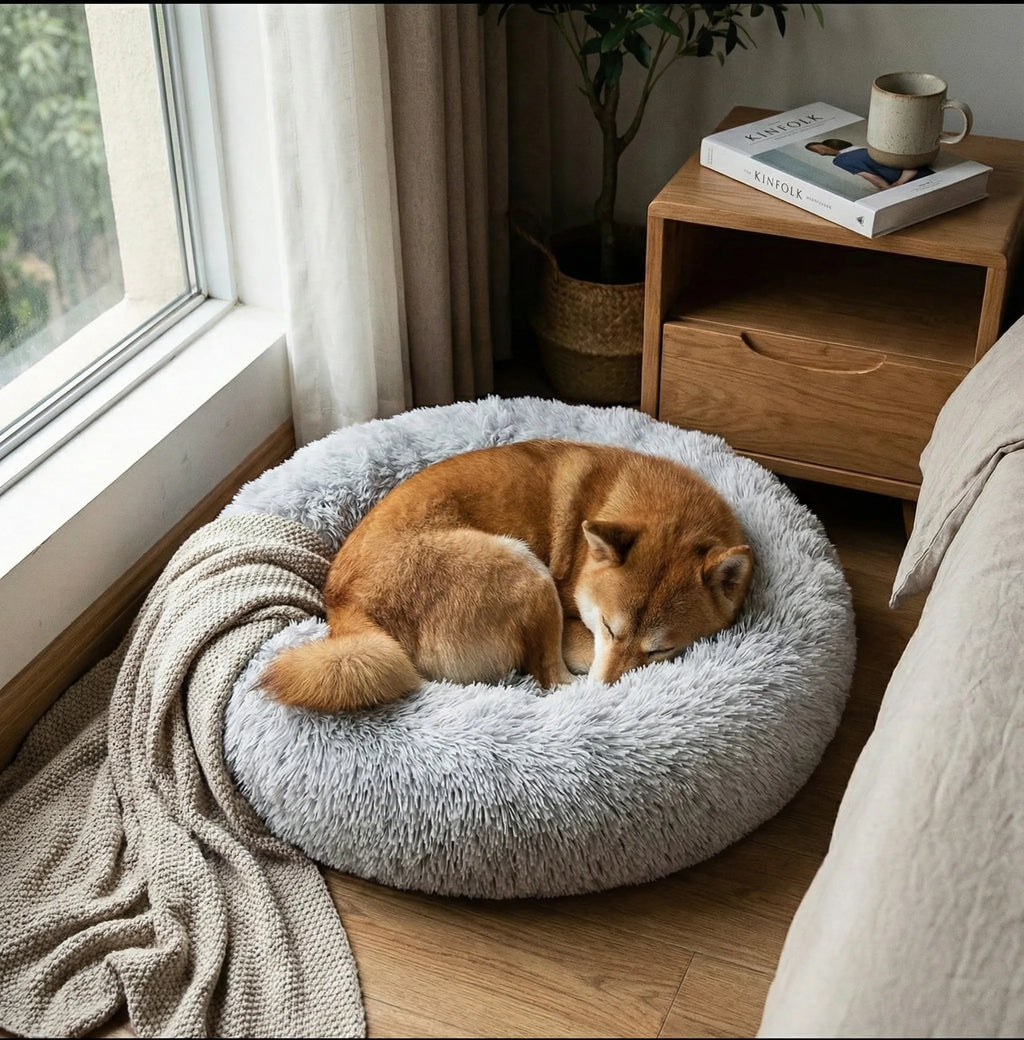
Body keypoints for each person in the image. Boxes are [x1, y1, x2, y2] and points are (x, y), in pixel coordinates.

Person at [805, 138, 933, 190]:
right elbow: (910, 162)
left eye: (818, 150)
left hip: (908, 185)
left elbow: (872, 177)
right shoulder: (863, 148)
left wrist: (890, 188)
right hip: (925, 174)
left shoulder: (840, 160)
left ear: (826, 145)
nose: (820, 153)